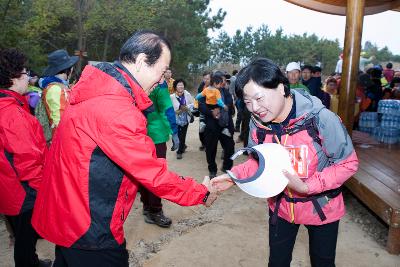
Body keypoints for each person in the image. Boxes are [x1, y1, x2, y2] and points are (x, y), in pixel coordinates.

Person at [31, 30, 217, 267]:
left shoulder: (95, 91)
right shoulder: (116, 108)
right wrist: (201, 192)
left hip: (70, 216)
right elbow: (153, 174)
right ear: (141, 61)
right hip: (90, 228)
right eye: (161, 72)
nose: (162, 81)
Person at [212, 58, 359, 267]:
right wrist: (234, 177)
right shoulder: (258, 124)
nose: (255, 108)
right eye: (247, 102)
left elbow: (348, 163)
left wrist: (308, 186)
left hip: (322, 207)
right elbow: (259, 162)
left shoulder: (321, 119)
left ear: (281, 88)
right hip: (281, 207)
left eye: (259, 98)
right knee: (277, 262)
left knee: (323, 262)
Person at [0, 49, 51, 267]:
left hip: (9, 187)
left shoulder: (8, 105)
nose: (29, 77)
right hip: (23, 192)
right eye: (25, 72)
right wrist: (44, 191)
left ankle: (31, 261)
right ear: (13, 78)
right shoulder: (13, 114)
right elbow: (28, 161)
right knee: (25, 239)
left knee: (22, 236)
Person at [140, 77, 180, 228]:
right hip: (155, 136)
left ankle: (146, 206)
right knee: (157, 174)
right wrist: (175, 133)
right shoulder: (159, 83)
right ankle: (155, 210)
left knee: (142, 172)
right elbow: (167, 109)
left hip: (136, 133)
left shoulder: (133, 78)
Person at [199, 71, 235, 178]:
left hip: (225, 125)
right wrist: (211, 112)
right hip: (211, 126)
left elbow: (229, 104)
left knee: (229, 147)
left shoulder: (225, 92)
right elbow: (201, 106)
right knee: (210, 149)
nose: (220, 83)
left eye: (221, 81)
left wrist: (220, 109)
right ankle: (212, 170)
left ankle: (227, 167)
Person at [39, 49, 78, 136]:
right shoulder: (56, 89)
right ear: (69, 69)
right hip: (61, 140)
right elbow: (60, 123)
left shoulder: (59, 87)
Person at [170, 79, 194, 159]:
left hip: (185, 118)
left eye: (182, 85)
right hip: (176, 119)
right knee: (177, 135)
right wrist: (178, 109)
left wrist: (187, 107)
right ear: (175, 87)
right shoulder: (172, 97)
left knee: (183, 135)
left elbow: (192, 103)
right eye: (179, 85)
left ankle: (179, 151)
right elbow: (170, 109)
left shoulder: (187, 94)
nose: (181, 86)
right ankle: (182, 146)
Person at [196, 71, 211, 151]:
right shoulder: (201, 86)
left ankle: (208, 144)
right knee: (201, 129)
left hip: (211, 111)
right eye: (204, 78)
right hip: (202, 110)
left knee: (209, 128)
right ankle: (203, 143)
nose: (206, 80)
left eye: (207, 78)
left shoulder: (214, 87)